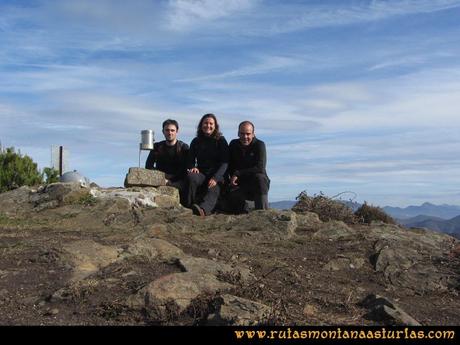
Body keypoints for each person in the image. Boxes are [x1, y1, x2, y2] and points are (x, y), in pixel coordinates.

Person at [186, 113, 229, 216]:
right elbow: (190, 160)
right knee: (191, 177)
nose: (208, 126)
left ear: (215, 126)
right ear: (201, 125)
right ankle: (189, 206)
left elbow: (225, 162)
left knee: (213, 188)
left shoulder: (221, 140)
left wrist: (216, 178)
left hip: (217, 175)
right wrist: (192, 167)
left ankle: (203, 211)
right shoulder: (196, 141)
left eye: (211, 123)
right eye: (205, 123)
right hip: (202, 173)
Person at [227, 121, 270, 213]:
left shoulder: (259, 145)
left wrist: (238, 173)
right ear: (238, 133)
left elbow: (260, 168)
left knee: (260, 178)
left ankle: (263, 214)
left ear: (253, 134)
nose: (245, 137)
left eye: (248, 134)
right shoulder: (233, 144)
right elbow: (228, 164)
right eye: (242, 134)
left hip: (257, 185)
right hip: (239, 184)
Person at [145, 119, 189, 205]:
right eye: (167, 130)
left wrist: (170, 181)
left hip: (178, 181)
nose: (170, 133)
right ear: (163, 131)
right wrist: (161, 178)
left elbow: (185, 168)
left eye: (172, 130)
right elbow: (148, 166)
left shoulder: (184, 147)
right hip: (160, 179)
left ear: (177, 131)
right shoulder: (157, 146)